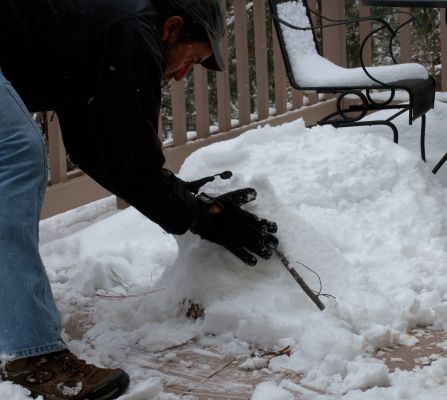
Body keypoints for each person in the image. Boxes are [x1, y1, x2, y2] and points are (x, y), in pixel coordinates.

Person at [0, 0, 278, 398]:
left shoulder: (96, 34)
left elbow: (98, 151)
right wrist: (201, 218)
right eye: (192, 59)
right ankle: (33, 355)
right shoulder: (135, 32)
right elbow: (134, 164)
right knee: (15, 152)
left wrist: (183, 199)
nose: (182, 75)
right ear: (173, 29)